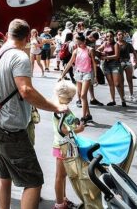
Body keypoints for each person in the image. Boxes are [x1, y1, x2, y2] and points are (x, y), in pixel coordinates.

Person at [0, 19, 68, 209]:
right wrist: (54, 106)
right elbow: (26, 91)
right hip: (10, 127)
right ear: (27, 37)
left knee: (3, 176)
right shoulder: (19, 57)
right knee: (33, 181)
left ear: (7, 33)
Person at [52, 80, 84, 209]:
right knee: (60, 176)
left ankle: (63, 200)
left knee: (63, 176)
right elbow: (63, 130)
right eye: (69, 97)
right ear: (61, 95)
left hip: (65, 144)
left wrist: (77, 122)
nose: (71, 99)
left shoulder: (63, 106)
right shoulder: (59, 108)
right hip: (62, 145)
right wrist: (78, 130)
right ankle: (59, 204)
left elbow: (69, 122)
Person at [59, 33, 96, 123]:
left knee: (83, 95)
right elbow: (69, 63)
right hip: (78, 73)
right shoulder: (76, 51)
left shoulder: (90, 50)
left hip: (87, 73)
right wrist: (62, 75)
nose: (78, 45)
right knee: (81, 96)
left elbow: (94, 63)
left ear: (84, 41)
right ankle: (88, 115)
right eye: (77, 43)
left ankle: (83, 118)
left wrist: (95, 77)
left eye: (80, 43)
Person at [98, 31, 125, 107]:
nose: (109, 38)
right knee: (111, 84)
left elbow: (116, 56)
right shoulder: (105, 43)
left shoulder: (116, 44)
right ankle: (113, 100)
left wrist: (105, 57)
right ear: (105, 37)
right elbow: (98, 50)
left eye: (110, 36)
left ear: (113, 37)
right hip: (106, 65)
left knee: (117, 84)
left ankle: (123, 100)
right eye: (107, 36)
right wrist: (100, 53)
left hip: (115, 64)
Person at [116, 30, 137, 102]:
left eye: (122, 34)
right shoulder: (115, 44)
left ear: (124, 35)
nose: (121, 36)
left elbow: (134, 52)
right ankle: (123, 96)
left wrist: (136, 61)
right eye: (119, 34)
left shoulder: (128, 44)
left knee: (130, 80)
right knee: (121, 81)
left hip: (127, 62)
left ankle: (131, 95)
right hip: (119, 63)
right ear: (117, 36)